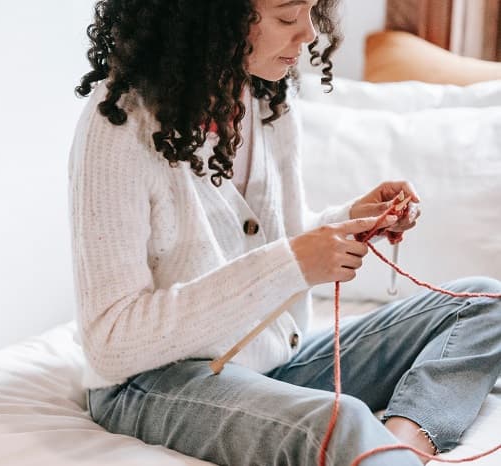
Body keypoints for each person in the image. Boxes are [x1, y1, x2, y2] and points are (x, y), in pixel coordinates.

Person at [67, 1, 501, 465]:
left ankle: (403, 447)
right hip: (152, 379)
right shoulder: (118, 127)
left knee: (482, 303)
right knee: (342, 420)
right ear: (213, 20)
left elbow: (287, 238)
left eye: (314, 11)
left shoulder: (268, 100)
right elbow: (110, 341)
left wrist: (353, 220)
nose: (310, 34)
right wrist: (292, 262)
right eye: (287, 17)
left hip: (273, 359)